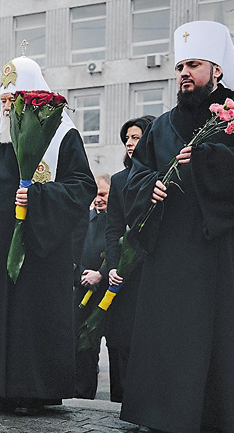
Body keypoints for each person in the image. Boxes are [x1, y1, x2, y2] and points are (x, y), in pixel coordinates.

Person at [121, 21, 234, 433]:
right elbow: (137, 172)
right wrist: (149, 188)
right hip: (172, 244)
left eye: (193, 65)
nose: (183, 74)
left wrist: (209, 157)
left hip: (222, 243)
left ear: (215, 69)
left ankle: (225, 413)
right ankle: (163, 413)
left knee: (221, 326)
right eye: (179, 67)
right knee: (172, 327)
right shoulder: (162, 124)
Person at [0, 55, 96, 415]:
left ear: (32, 99)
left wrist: (38, 197)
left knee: (30, 318)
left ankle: (34, 389)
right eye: (3, 101)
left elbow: (82, 186)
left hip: (40, 250)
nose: (7, 108)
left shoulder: (62, 135)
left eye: (14, 100)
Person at [104, 115, 156, 403]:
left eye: (136, 137)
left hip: (153, 273)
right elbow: (112, 230)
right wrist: (113, 265)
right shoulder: (119, 180)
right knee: (121, 340)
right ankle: (120, 401)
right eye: (128, 138)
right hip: (124, 277)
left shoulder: (165, 174)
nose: (130, 143)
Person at [73, 174, 110, 399]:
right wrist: (82, 276)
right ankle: (83, 397)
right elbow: (74, 252)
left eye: (103, 194)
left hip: (109, 294)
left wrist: (101, 275)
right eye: (96, 195)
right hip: (82, 293)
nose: (98, 199)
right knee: (83, 351)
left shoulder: (117, 222)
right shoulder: (83, 220)